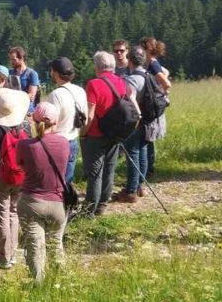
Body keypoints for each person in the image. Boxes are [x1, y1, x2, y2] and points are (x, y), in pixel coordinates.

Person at [17, 102, 70, 281]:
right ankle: (61, 281)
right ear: (55, 121)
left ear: (34, 119)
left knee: (35, 246)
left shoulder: (25, 145)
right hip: (58, 201)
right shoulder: (64, 142)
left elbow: (21, 165)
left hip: (32, 201)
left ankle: (38, 283)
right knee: (56, 243)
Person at [81, 51, 136, 217]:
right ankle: (102, 205)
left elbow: (90, 114)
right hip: (115, 133)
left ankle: (90, 210)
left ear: (97, 66)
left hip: (96, 133)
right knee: (109, 169)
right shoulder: (122, 82)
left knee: (95, 173)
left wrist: (83, 132)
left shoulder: (94, 84)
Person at [0, 88, 30, 268]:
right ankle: (13, 252)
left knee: (1, 213)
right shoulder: (25, 126)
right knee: (14, 211)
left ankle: (4, 255)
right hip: (21, 172)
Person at [112, 46, 158, 203]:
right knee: (142, 152)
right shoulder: (147, 74)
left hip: (136, 121)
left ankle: (130, 191)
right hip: (148, 121)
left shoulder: (133, 79)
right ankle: (139, 187)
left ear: (129, 60)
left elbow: (126, 100)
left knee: (132, 154)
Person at [44, 57, 87, 185]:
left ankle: (57, 204)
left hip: (57, 142)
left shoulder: (55, 95)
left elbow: (51, 122)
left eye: (51, 70)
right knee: (68, 180)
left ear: (56, 73)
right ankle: (68, 203)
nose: (50, 73)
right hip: (73, 139)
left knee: (54, 181)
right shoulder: (80, 90)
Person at [138, 37, 171, 177]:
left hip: (151, 104)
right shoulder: (152, 63)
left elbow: (167, 83)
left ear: (147, 50)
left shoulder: (152, 64)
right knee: (148, 137)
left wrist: (160, 93)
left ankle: (148, 170)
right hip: (151, 103)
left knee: (148, 138)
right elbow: (166, 72)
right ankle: (148, 169)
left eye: (141, 49)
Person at [7, 46, 40, 114]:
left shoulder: (32, 74)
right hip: (12, 111)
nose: (11, 62)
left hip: (27, 111)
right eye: (10, 59)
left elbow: (31, 96)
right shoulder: (9, 73)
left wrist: (12, 97)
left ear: (21, 58)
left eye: (13, 59)